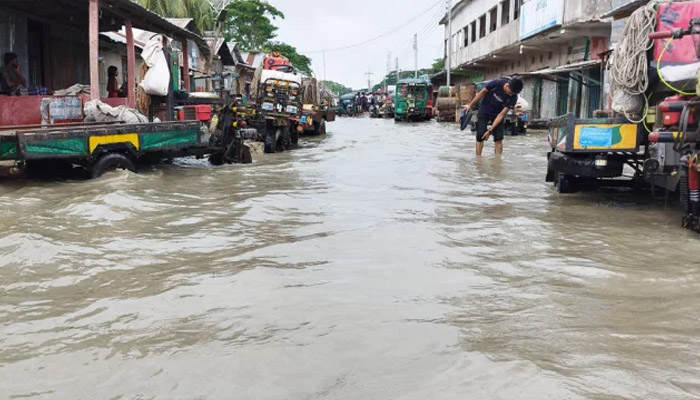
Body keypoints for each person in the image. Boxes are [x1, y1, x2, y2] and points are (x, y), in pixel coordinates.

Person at [463, 77, 523, 156]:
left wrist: (490, 130)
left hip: (497, 114)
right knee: (480, 136)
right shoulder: (497, 83)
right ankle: (478, 161)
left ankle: (497, 162)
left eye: (513, 94)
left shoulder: (513, 98)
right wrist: (470, 105)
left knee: (498, 139)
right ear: (507, 86)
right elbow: (482, 92)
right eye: (511, 92)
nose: (511, 94)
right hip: (484, 110)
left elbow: (501, 115)